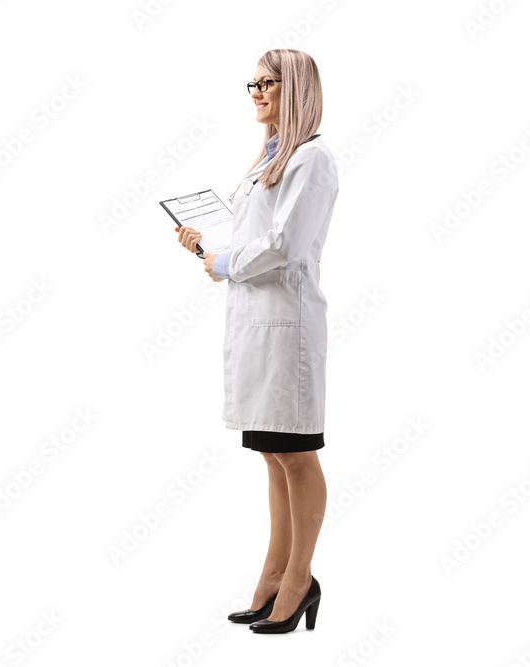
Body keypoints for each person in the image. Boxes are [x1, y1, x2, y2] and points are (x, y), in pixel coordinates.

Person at [175, 48, 337, 635]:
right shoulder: (270, 155)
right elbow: (258, 237)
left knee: (296, 452)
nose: (256, 92)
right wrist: (205, 248)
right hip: (256, 324)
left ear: (294, 87)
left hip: (286, 329)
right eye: (252, 83)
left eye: (267, 83)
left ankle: (300, 578)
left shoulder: (312, 158)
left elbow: (285, 246)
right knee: (272, 452)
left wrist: (222, 262)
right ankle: (273, 575)